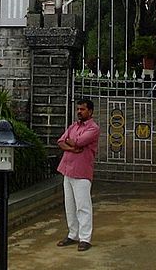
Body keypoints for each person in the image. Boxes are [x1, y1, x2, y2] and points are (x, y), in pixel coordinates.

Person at [56, 98, 100, 252]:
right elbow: (61, 141)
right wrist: (71, 148)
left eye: (82, 109)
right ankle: (72, 233)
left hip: (81, 171)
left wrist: (71, 143)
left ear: (90, 111)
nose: (79, 112)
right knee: (69, 205)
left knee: (83, 206)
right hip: (67, 169)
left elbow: (78, 142)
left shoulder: (93, 128)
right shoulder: (73, 126)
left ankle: (85, 238)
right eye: (78, 109)